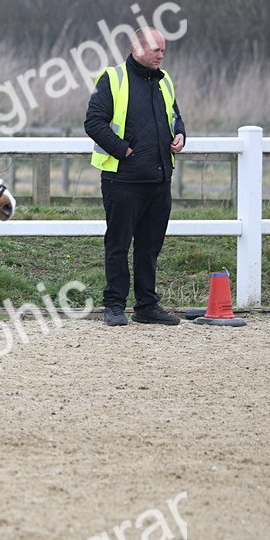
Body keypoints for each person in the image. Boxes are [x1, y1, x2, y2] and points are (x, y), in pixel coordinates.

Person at [84, 27, 186, 326]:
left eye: (163, 50)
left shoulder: (165, 80)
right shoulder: (112, 78)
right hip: (122, 179)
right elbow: (93, 122)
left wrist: (180, 133)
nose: (161, 54)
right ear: (136, 48)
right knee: (118, 245)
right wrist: (123, 150)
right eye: (156, 49)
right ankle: (114, 305)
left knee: (150, 246)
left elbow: (175, 116)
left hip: (159, 179)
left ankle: (146, 306)